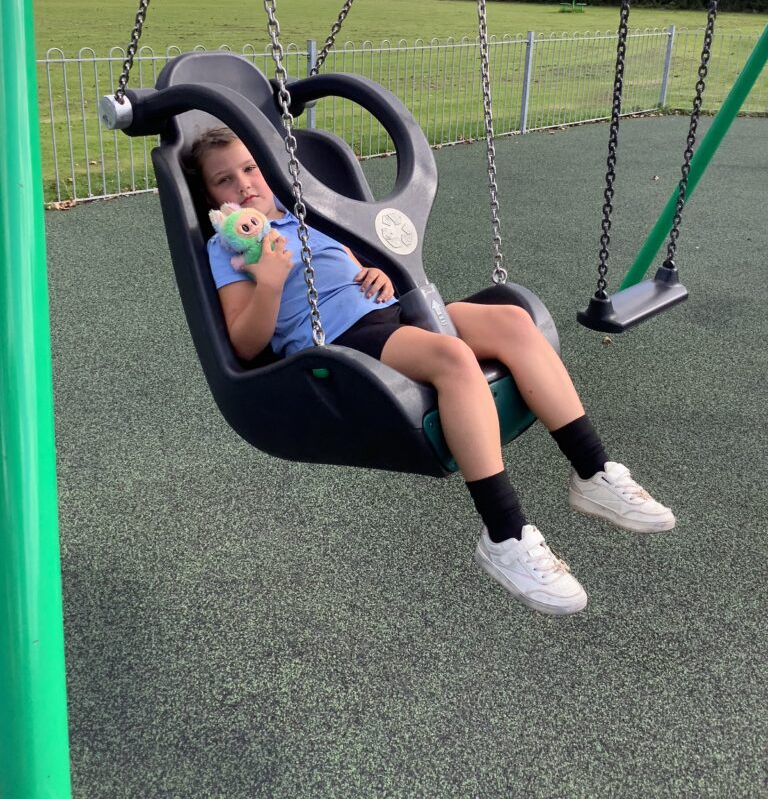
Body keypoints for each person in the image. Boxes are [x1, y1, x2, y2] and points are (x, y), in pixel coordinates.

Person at [190, 126, 676, 617]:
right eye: (224, 180)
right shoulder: (231, 248)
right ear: (211, 198)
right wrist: (270, 284)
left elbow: (355, 265)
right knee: (454, 358)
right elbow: (245, 344)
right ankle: (504, 534)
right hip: (339, 338)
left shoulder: (306, 214)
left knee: (513, 321)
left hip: (389, 310)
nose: (244, 184)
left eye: (250, 168)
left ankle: (593, 471)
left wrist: (375, 273)